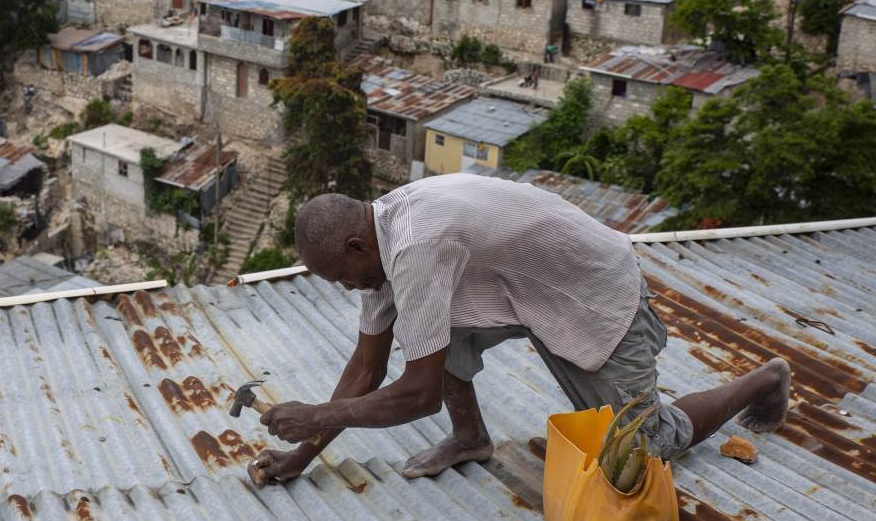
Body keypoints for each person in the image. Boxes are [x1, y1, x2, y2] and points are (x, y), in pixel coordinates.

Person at [248, 174, 791, 486]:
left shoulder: (415, 245)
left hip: (588, 290)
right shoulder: (380, 240)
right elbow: (367, 369)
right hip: (518, 292)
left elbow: (418, 397)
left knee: (649, 444)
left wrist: (315, 415)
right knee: (429, 334)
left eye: (341, 277)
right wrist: (300, 457)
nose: (345, 288)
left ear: (356, 247)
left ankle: (765, 378)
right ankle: (471, 439)